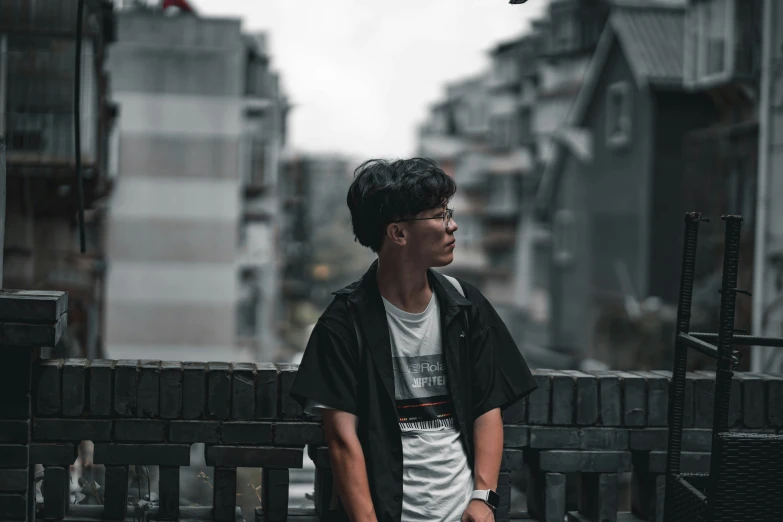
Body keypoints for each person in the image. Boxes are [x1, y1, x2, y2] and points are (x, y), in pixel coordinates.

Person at [290, 158, 536, 522]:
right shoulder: (343, 322)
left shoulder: (465, 306)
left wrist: (483, 497)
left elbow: (487, 406)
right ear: (398, 233)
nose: (453, 225)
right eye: (439, 215)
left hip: (463, 513)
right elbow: (342, 441)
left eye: (448, 212)